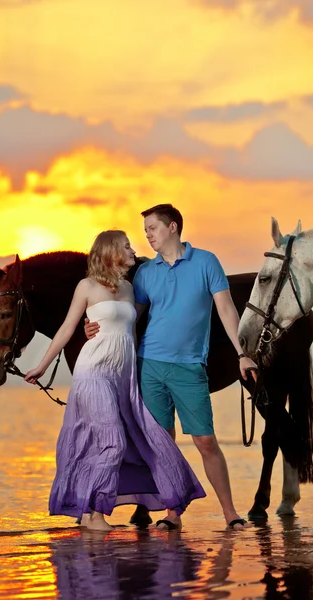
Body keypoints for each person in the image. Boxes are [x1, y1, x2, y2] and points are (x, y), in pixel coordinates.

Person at [85, 205, 257, 531]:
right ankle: (172, 514)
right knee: (162, 443)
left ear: (172, 227)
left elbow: (225, 309)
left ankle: (230, 513)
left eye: (152, 228)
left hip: (189, 367)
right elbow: (126, 318)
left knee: (205, 441)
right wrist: (92, 327)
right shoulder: (147, 273)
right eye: (145, 230)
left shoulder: (206, 262)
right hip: (149, 365)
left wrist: (242, 354)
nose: (147, 235)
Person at [24, 229, 205, 531]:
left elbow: (131, 333)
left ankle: (90, 513)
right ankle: (95, 513)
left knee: (141, 438)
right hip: (93, 371)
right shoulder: (87, 286)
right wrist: (42, 366)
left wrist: (136, 376)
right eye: (126, 246)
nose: (133, 250)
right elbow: (67, 329)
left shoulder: (128, 289)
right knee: (112, 441)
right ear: (110, 252)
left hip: (123, 376)